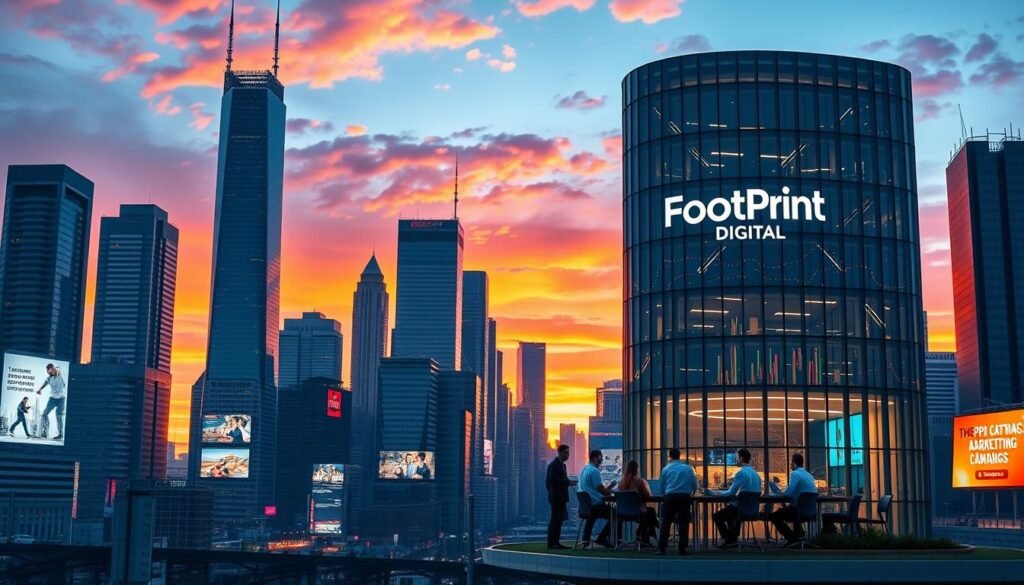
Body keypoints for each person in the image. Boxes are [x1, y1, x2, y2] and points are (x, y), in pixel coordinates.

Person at [711, 448, 762, 547]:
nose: (735, 460)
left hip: (740, 510)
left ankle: (729, 539)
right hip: (753, 511)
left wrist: (714, 493)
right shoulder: (756, 475)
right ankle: (733, 537)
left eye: (736, 458)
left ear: (741, 458)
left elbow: (730, 493)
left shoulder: (741, 473)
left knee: (717, 516)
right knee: (731, 510)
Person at [768, 452, 818, 546]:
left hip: (797, 510)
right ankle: (799, 535)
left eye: (791, 464)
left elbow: (788, 492)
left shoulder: (795, 474)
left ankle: (792, 538)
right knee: (788, 511)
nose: (790, 466)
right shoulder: (809, 475)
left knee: (774, 516)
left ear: (794, 464)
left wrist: (779, 491)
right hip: (810, 511)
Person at [657, 448, 698, 556]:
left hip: (670, 496)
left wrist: (663, 495)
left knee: (666, 522)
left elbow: (661, 486)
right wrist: (692, 492)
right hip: (684, 497)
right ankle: (682, 548)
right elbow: (694, 484)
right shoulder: (688, 468)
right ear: (680, 456)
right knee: (684, 523)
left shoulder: (666, 469)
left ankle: (662, 548)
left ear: (670, 456)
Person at [578, 449, 615, 547]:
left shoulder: (584, 469)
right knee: (616, 515)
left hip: (586, 506)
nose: (601, 461)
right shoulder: (594, 471)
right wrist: (612, 486)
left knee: (592, 517)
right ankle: (602, 538)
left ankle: (585, 539)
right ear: (595, 458)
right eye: (600, 458)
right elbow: (603, 491)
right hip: (595, 505)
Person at [617, 460, 659, 545]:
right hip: (637, 511)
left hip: (622, 512)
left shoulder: (621, 483)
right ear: (636, 469)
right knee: (651, 512)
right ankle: (649, 532)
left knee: (648, 516)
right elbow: (647, 495)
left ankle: (646, 533)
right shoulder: (639, 481)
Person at [546, 444, 576, 549]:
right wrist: (567, 482)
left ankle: (556, 542)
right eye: (566, 452)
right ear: (560, 453)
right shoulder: (554, 465)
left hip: (561, 497)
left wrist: (567, 482)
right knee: (555, 520)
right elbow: (551, 481)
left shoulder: (562, 465)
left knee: (559, 520)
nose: (568, 455)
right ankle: (551, 543)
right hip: (556, 497)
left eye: (568, 452)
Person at [36, 363, 66, 441]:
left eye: (50, 370)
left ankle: (60, 434)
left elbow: (58, 369)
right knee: (44, 414)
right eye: (48, 371)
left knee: (59, 415)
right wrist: (40, 389)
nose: (49, 372)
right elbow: (45, 383)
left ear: (53, 369)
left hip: (61, 399)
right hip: (52, 399)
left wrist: (55, 370)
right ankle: (45, 433)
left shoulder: (59, 373)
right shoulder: (49, 378)